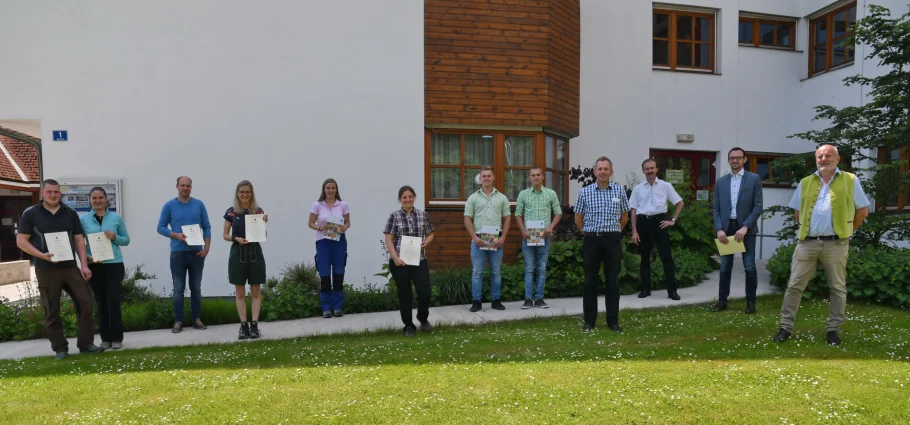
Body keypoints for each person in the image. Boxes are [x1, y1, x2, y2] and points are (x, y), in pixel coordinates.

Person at [774, 144, 869, 346]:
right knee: (794, 285)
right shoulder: (806, 182)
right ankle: (785, 327)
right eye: (820, 156)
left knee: (837, 287)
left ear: (837, 159)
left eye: (828, 156)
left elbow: (862, 211)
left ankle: (833, 330)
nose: (823, 159)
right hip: (806, 243)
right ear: (816, 159)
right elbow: (797, 212)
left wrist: (847, 231)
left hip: (836, 243)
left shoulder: (850, 180)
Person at [16, 179, 105, 360]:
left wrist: (84, 265)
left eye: (56, 192)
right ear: (42, 193)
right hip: (46, 269)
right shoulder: (31, 213)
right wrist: (41, 255)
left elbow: (79, 240)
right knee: (52, 310)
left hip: (70, 267)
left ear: (60, 193)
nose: (53, 195)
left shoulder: (70, 213)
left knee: (86, 302)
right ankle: (60, 348)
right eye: (49, 192)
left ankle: (86, 344)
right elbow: (21, 241)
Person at [574, 156, 630, 332]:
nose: (603, 172)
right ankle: (589, 321)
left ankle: (613, 321)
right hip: (592, 241)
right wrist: (588, 233)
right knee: (590, 281)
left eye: (606, 169)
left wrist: (615, 231)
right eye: (600, 169)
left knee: (612, 281)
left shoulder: (619, 191)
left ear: (611, 172)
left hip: (612, 240)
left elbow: (625, 216)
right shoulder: (585, 192)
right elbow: (578, 219)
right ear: (594, 172)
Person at [712, 147, 764, 314]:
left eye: (738, 158)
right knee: (725, 267)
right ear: (728, 160)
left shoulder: (754, 179)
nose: (734, 160)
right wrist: (719, 229)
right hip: (726, 229)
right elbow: (716, 208)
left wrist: (745, 227)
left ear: (744, 159)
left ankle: (750, 303)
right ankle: (722, 302)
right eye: (732, 158)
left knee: (749, 267)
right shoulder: (721, 182)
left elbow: (758, 206)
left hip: (746, 229)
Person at [157, 176, 211, 333]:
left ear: (191, 187)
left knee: (196, 288)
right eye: (182, 185)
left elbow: (207, 227)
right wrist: (175, 235)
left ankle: (196, 319)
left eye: (188, 186)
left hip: (197, 253)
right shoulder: (169, 206)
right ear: (177, 186)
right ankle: (178, 321)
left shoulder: (199, 204)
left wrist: (206, 248)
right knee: (178, 289)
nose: (185, 188)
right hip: (178, 253)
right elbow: (160, 227)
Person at [81, 186, 131, 350]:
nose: (97, 201)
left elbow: (126, 240)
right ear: (90, 200)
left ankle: (116, 338)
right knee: (101, 302)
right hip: (95, 265)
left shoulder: (116, 218)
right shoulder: (83, 220)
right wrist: (87, 257)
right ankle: (105, 338)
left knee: (113, 301)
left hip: (114, 264)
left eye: (100, 197)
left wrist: (115, 237)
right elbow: (79, 242)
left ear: (106, 199)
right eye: (94, 198)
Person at [384, 186, 435, 337]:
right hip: (400, 262)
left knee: (425, 292)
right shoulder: (394, 216)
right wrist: (395, 258)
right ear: (400, 199)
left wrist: (426, 242)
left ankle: (422, 318)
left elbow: (430, 234)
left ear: (414, 197)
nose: (408, 199)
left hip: (419, 260)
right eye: (404, 197)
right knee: (405, 294)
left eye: (410, 196)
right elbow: (388, 238)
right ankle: (408, 326)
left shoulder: (423, 215)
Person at [630, 159, 684, 301]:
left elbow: (680, 203)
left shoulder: (666, 186)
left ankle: (672, 291)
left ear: (657, 169)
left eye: (652, 168)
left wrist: (673, 220)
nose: (650, 171)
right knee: (644, 259)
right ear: (643, 171)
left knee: (667, 258)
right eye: (647, 169)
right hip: (643, 223)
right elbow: (633, 211)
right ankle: (645, 289)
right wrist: (634, 231)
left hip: (660, 223)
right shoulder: (637, 189)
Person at [223, 180, 268, 340]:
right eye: (242, 191)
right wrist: (235, 238)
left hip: (255, 252)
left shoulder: (258, 211)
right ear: (237, 193)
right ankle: (243, 326)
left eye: (247, 192)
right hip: (238, 253)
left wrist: (263, 224)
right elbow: (225, 235)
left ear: (251, 193)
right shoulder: (231, 212)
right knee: (240, 292)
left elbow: (263, 235)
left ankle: (254, 325)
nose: (245, 194)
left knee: (256, 291)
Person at [464, 165, 511, 312]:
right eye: (484, 176)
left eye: (489, 176)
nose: (486, 178)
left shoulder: (502, 198)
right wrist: (474, 237)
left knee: (496, 271)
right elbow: (467, 218)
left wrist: (503, 238)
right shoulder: (473, 198)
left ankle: (496, 301)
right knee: (477, 272)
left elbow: (507, 218)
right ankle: (476, 302)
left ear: (493, 177)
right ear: (480, 178)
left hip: (497, 240)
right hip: (478, 240)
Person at [514, 166, 562, 309]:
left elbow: (558, 213)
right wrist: (522, 231)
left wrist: (550, 228)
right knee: (529, 268)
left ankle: (539, 298)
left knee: (541, 268)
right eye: (533, 175)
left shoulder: (550, 194)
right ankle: (528, 299)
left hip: (544, 237)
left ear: (542, 177)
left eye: (538, 175)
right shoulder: (523, 194)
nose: (536, 177)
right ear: (530, 178)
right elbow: (518, 214)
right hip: (528, 237)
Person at [308, 178, 350, 318]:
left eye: (333, 188)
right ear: (324, 190)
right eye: (328, 188)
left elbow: (348, 222)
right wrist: (320, 227)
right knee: (325, 274)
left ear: (336, 189)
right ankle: (326, 308)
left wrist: (345, 227)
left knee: (338, 273)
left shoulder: (343, 205)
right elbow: (310, 223)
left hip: (339, 242)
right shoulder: (317, 205)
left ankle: (337, 307)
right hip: (323, 242)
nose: (331, 191)